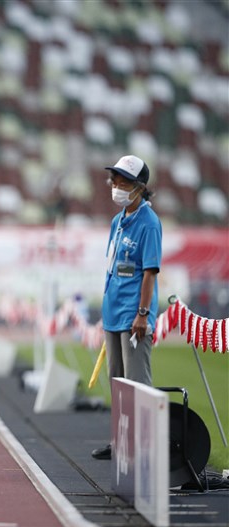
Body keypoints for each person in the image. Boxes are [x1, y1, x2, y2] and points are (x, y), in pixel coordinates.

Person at [91, 155, 162, 460]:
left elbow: (150, 272)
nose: (116, 186)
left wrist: (143, 314)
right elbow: (111, 266)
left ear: (139, 187)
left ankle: (144, 448)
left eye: (123, 181)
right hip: (113, 312)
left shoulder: (149, 223)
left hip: (135, 315)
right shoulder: (117, 221)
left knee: (136, 382)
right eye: (115, 180)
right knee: (117, 381)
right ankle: (121, 441)